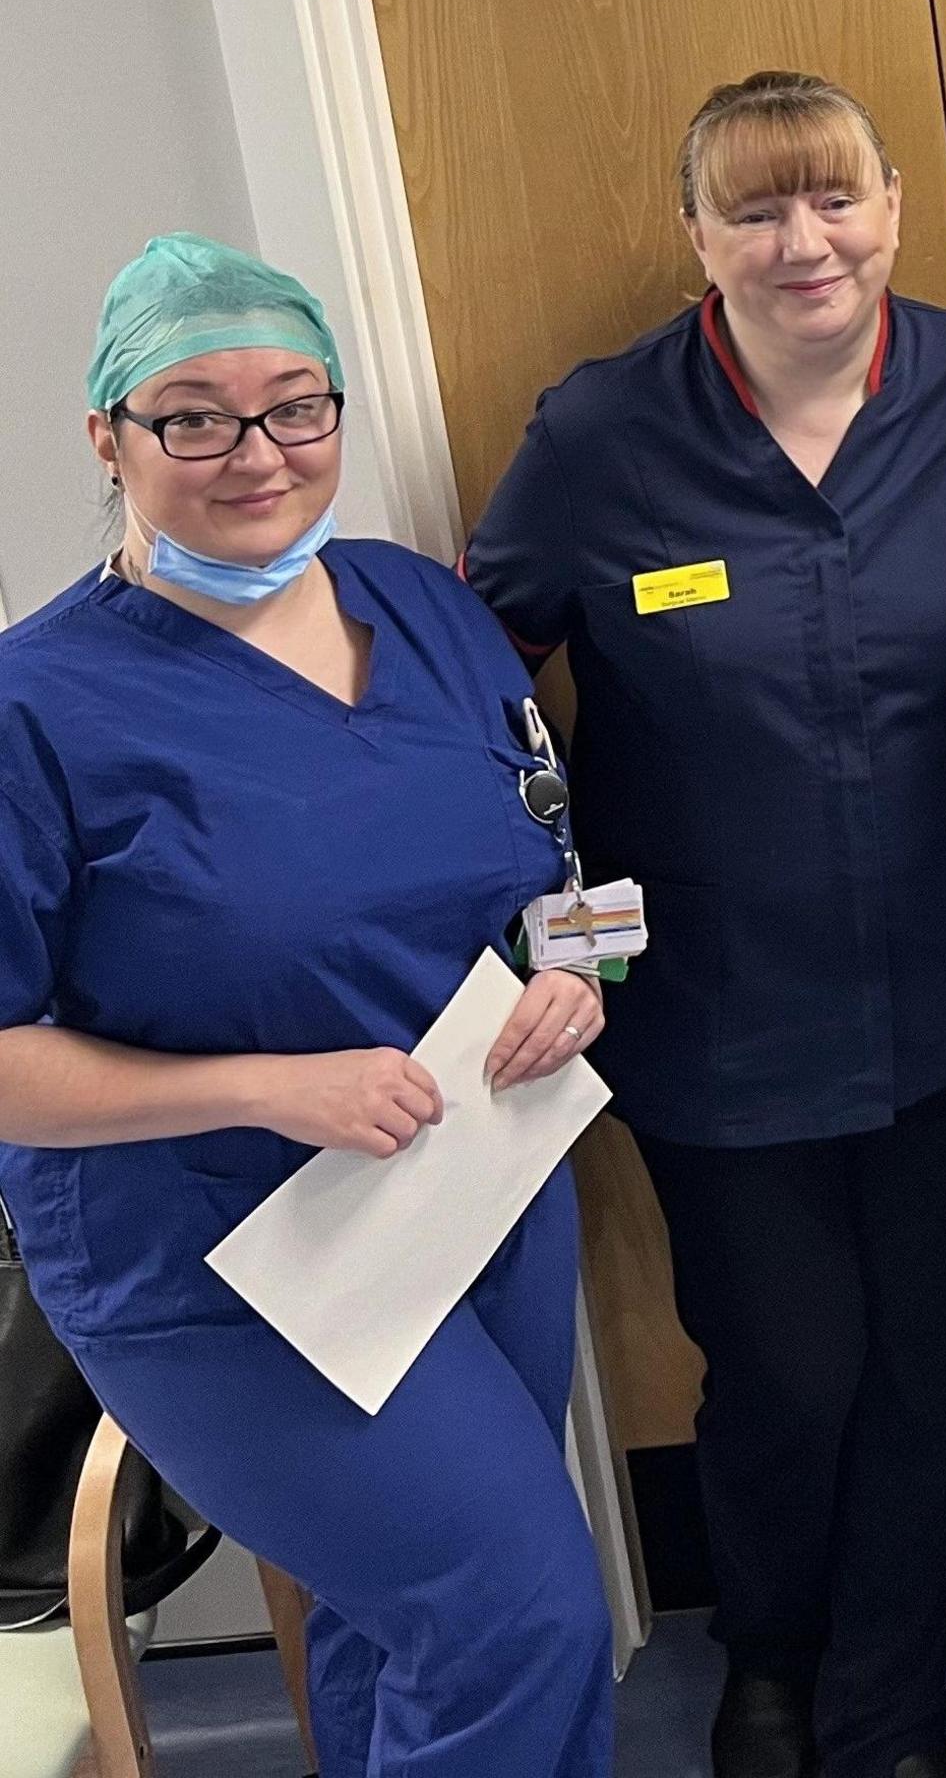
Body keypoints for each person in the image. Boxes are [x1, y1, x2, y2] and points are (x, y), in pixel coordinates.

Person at [461, 71, 946, 1778]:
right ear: (697, 236)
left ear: (893, 205)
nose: (806, 242)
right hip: (712, 1004)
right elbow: (475, 687)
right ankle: (772, 1659)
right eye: (758, 209)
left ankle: (893, 1712)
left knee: (940, 1368)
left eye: (835, 199)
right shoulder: (600, 434)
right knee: (789, 1369)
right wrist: (541, 914)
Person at [0, 236, 614, 1774]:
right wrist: (263, 1087)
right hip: (221, 1250)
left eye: (294, 409)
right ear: (107, 439)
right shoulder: (35, 708)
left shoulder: (419, 606)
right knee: (513, 1611)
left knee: (395, 1609)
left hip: (474, 1190)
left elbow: (551, 854)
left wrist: (578, 972)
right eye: (192, 417)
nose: (255, 455)